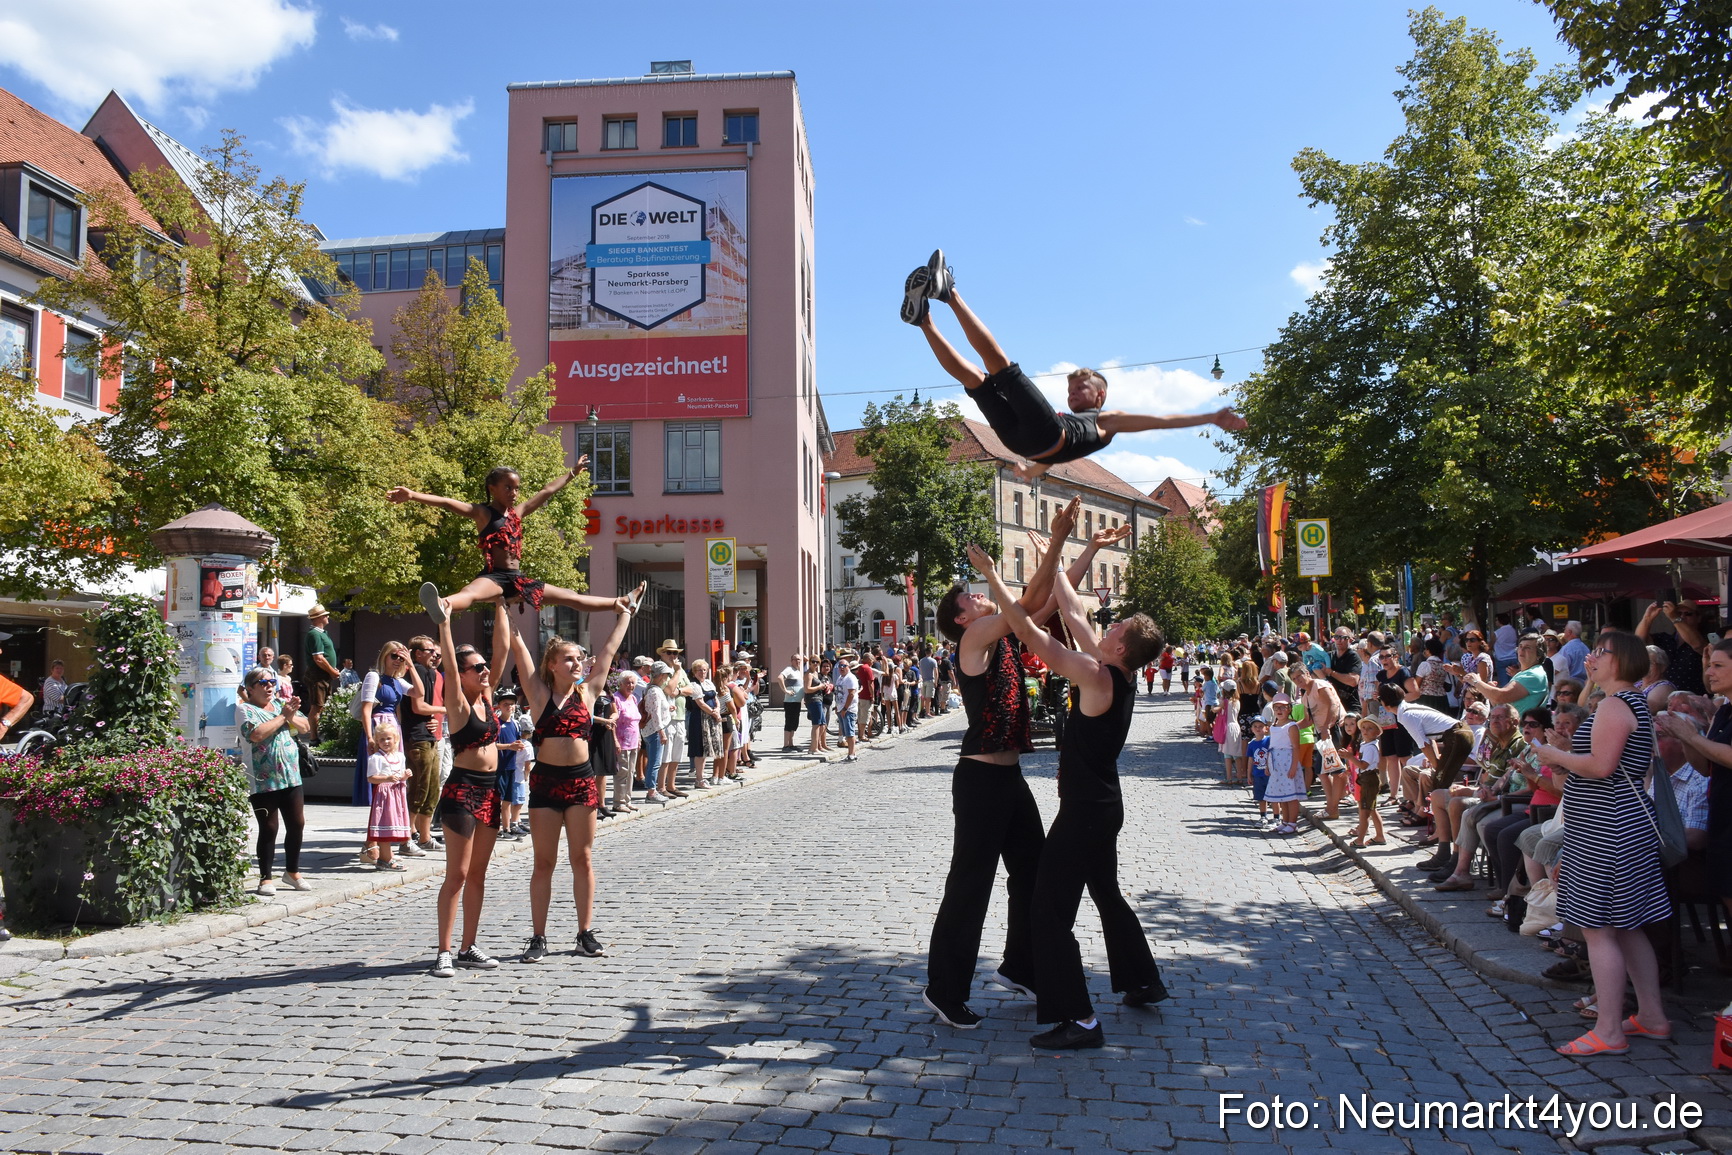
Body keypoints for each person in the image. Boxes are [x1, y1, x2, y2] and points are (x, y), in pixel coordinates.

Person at [967, 539, 1167, 1050]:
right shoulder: (1115, 670)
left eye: (1115, 628)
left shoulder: (1096, 675)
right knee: (1106, 892)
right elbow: (1074, 611)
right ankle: (1143, 980)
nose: (1106, 626)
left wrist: (992, 576)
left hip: (1084, 812)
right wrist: (1054, 559)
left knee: (1048, 910)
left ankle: (1078, 1018)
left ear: (1119, 647)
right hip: (1103, 805)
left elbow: (1031, 635)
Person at [921, 497, 1083, 1030]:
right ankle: (944, 988)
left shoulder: (1006, 627)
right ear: (961, 617)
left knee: (1032, 871)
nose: (979, 595)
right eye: (970, 596)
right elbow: (1028, 603)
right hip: (980, 780)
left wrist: (1063, 545)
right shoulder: (973, 638)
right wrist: (1002, 568)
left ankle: (1020, 966)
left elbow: (1046, 601)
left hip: (1008, 778)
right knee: (971, 883)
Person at [901, 254, 1245, 479]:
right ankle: (924, 321)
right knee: (977, 380)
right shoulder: (1072, 424)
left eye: (1081, 388)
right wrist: (1031, 472)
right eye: (1070, 389)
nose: (1073, 393)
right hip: (1024, 443)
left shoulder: (1106, 421)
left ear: (1100, 396)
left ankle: (949, 293)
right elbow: (1050, 460)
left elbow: (1159, 421)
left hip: (1044, 436)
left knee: (1004, 369)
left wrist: (1209, 417)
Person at [1531, 629, 1671, 1057]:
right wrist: (1567, 753)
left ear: (1620, 659)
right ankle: (1651, 1016)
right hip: (1616, 827)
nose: (1591, 657)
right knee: (1627, 926)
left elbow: (1601, 766)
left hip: (1607, 830)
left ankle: (1609, 1030)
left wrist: (1555, 756)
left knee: (1599, 929)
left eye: (1600, 651)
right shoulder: (1629, 702)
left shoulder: (1615, 704)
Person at [505, 593, 635, 964]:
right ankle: (538, 936)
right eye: (569, 659)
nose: (577, 663)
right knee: (543, 863)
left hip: (581, 782)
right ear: (552, 664)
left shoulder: (589, 692)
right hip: (546, 783)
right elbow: (518, 646)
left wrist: (625, 614)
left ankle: (584, 933)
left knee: (583, 858)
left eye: (579, 658)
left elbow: (609, 650)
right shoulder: (538, 694)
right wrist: (503, 606)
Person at [390, 463, 645, 622]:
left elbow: (546, 491)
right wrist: (412, 495)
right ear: (492, 488)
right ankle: (443, 604)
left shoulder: (518, 513)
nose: (514, 493)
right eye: (508, 488)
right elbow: (447, 502)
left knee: (569, 596)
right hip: (494, 577)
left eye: (516, 488)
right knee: (470, 593)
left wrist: (571, 474)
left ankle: (621, 603)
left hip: (518, 580)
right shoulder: (482, 513)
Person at [426, 603, 516, 977]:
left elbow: (503, 649)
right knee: (458, 874)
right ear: (461, 675)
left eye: (483, 666)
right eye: (476, 667)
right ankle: (444, 951)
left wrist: (501, 603)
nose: (484, 671)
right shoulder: (458, 702)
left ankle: (468, 947)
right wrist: (444, 622)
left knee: (478, 874)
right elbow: (448, 664)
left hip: (491, 793)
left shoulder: (487, 698)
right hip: (463, 792)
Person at [236, 666, 309, 896]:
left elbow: (305, 727)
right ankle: (265, 878)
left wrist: (290, 714)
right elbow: (256, 734)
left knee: (297, 823)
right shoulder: (244, 709)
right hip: (262, 779)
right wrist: (283, 717)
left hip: (290, 775)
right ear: (250, 688)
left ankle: (292, 872)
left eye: (272, 683)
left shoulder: (280, 704)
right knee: (269, 827)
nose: (269, 687)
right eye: (263, 683)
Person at [354, 641, 415, 862]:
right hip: (379, 729)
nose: (397, 660)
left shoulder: (398, 681)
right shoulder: (374, 677)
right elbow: (366, 708)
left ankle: (379, 843)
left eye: (401, 657)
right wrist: (370, 737)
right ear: (385, 657)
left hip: (393, 730)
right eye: (394, 656)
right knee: (379, 787)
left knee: (393, 786)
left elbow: (419, 692)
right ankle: (371, 845)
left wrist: (411, 665)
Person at [398, 635, 446, 854]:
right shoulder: (418, 670)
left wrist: (435, 715)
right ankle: (407, 837)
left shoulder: (427, 672)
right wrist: (446, 710)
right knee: (420, 789)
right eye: (430, 651)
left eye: (436, 652)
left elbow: (424, 706)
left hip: (428, 737)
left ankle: (424, 837)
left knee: (431, 789)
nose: (435, 655)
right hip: (417, 738)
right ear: (417, 654)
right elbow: (418, 706)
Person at [366, 717, 412, 871]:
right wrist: (387, 778)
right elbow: (371, 778)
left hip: (397, 795)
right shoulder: (376, 758)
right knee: (385, 825)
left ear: (395, 739)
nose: (385, 742)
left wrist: (405, 775)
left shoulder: (400, 756)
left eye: (388, 738)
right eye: (382, 739)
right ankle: (385, 859)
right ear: (377, 741)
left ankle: (388, 856)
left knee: (394, 826)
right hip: (385, 797)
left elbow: (399, 775)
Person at [1263, 696, 1306, 835]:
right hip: (1276, 762)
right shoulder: (1274, 726)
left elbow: (1296, 747)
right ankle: (1285, 821)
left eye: (1283, 707)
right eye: (1276, 707)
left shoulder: (1291, 726)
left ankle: (1293, 822)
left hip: (1287, 762)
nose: (1279, 710)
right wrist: (1268, 765)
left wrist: (1293, 766)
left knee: (1291, 795)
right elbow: (1272, 745)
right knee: (1282, 794)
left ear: (1289, 709)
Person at [303, 604, 341, 740]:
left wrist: (331, 670)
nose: (327, 617)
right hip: (317, 676)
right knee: (317, 706)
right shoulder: (314, 634)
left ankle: (321, 735)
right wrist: (332, 671)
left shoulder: (321, 633)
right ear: (319, 618)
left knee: (323, 706)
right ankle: (314, 738)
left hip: (324, 675)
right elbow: (318, 658)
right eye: (325, 615)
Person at [1349, 716, 1387, 847]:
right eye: (1363, 728)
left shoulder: (1371, 747)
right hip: (1366, 778)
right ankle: (1380, 836)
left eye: (1370, 728)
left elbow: (1363, 765)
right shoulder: (1366, 744)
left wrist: (1350, 757)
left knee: (1365, 810)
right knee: (1371, 809)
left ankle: (1360, 840)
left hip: (1369, 778)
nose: (1365, 731)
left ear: (1377, 732)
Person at [640, 662, 672, 804]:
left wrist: (668, 708)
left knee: (654, 761)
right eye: (666, 675)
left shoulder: (652, 689)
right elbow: (655, 713)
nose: (667, 678)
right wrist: (661, 732)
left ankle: (652, 790)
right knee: (655, 762)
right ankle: (651, 792)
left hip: (652, 730)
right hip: (654, 731)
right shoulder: (654, 691)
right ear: (661, 675)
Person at [611, 672, 642, 812]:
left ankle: (628, 800)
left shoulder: (633, 698)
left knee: (631, 772)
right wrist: (615, 741)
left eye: (633, 683)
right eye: (627, 683)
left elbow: (636, 721)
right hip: (622, 742)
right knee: (622, 773)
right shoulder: (616, 698)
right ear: (621, 684)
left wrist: (639, 738)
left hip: (634, 741)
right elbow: (613, 722)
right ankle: (619, 802)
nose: (630, 685)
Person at [1247, 718, 1273, 824]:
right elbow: (1250, 760)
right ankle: (1263, 816)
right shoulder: (1251, 744)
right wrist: (1249, 774)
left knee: (1273, 796)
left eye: (1261, 726)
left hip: (1269, 774)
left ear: (1266, 728)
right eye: (1255, 726)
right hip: (1258, 774)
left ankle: (1277, 817)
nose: (1258, 728)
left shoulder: (1269, 740)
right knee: (1261, 797)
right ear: (1252, 729)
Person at [834, 656, 860, 762]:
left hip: (849, 709)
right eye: (840, 666)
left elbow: (851, 694)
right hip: (841, 708)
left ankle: (852, 755)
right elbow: (838, 693)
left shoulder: (850, 678)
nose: (841, 668)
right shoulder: (840, 678)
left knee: (850, 732)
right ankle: (850, 753)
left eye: (844, 666)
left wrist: (845, 708)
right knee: (846, 732)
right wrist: (837, 706)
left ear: (848, 667)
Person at [780, 653, 805, 749]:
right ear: (791, 661)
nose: (798, 661)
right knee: (789, 722)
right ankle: (786, 745)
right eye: (796, 659)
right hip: (790, 701)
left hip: (797, 701)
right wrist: (785, 690)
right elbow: (780, 677)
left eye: (799, 659)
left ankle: (791, 744)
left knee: (794, 723)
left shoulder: (797, 671)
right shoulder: (789, 669)